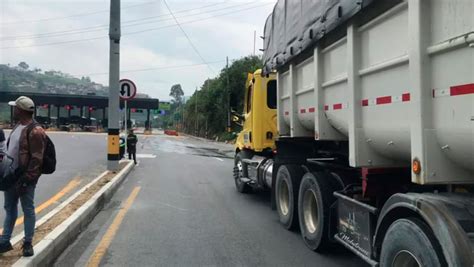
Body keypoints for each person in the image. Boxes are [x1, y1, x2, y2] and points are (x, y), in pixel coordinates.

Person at [0, 96, 46, 257]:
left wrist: (27, 180)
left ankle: (27, 243)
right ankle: (5, 241)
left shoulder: (36, 131)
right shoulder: (18, 126)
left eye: (15, 108)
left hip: (24, 177)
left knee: (28, 209)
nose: (13, 110)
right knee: (9, 208)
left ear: (21, 110)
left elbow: (37, 159)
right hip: (11, 175)